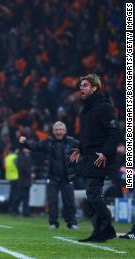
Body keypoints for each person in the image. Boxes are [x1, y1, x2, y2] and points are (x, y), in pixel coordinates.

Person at [70, 74, 120, 243]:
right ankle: (101, 231)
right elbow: (90, 136)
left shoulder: (104, 107)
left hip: (100, 157)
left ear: (94, 88)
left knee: (92, 194)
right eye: (80, 85)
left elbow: (115, 134)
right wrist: (80, 149)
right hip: (90, 156)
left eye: (84, 85)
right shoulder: (87, 109)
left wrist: (105, 153)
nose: (81, 88)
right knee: (92, 194)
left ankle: (107, 226)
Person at [19, 121, 79, 229]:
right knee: (52, 202)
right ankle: (53, 223)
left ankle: (72, 223)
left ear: (64, 131)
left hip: (67, 177)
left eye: (60, 129)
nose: (59, 132)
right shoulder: (48, 141)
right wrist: (25, 143)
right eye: (56, 129)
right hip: (52, 177)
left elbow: (83, 148)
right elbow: (36, 146)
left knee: (69, 202)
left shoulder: (72, 142)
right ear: (53, 131)